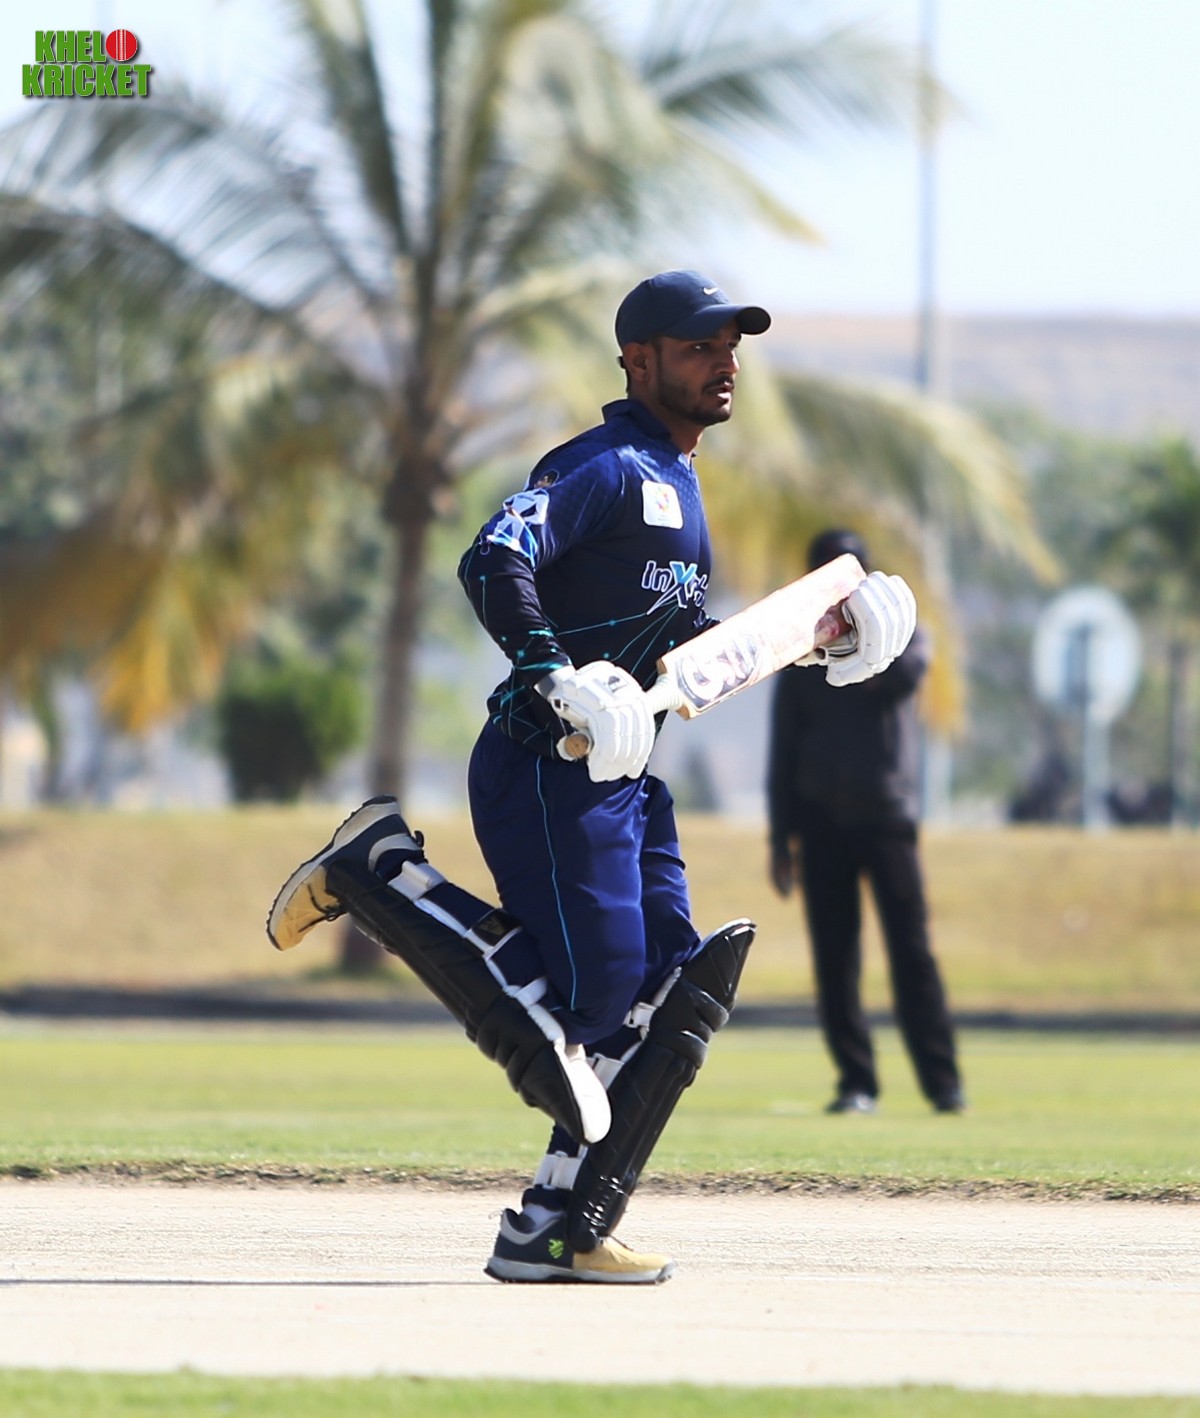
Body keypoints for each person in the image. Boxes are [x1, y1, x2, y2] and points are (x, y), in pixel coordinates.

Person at [267, 272, 918, 1285]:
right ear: (639, 360)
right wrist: (556, 675)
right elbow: (493, 557)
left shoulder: (680, 480)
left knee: (669, 995)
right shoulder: (605, 466)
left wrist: (824, 640)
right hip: (545, 760)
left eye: (730, 347)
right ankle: (377, 872)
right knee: (597, 992)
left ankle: (558, 1226)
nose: (724, 363)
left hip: (624, 778)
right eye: (699, 347)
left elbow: (686, 656)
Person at [766, 528, 966, 1116]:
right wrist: (780, 840)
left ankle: (943, 1084)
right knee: (835, 959)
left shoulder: (902, 632)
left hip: (886, 817)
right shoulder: (800, 649)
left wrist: (857, 638)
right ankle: (857, 1082)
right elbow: (784, 750)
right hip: (820, 821)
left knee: (912, 953)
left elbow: (904, 675)